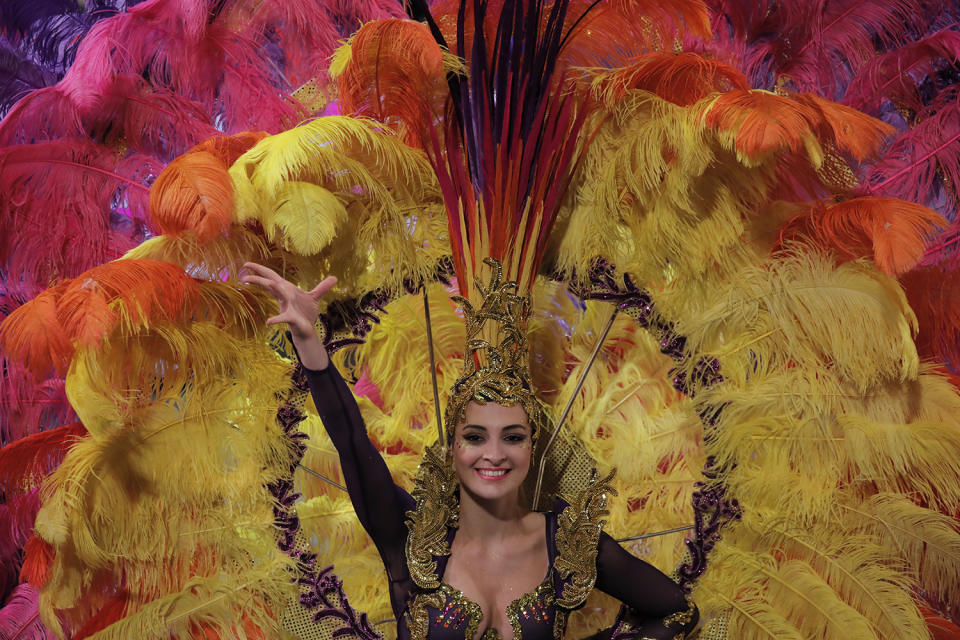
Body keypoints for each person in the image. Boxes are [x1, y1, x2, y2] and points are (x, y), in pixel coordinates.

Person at [241, 260, 699, 640]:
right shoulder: (411, 535)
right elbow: (352, 443)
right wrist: (308, 343)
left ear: (532, 448)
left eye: (513, 437)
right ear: (453, 448)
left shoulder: (568, 543)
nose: (493, 454)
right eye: (476, 437)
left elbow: (677, 615)